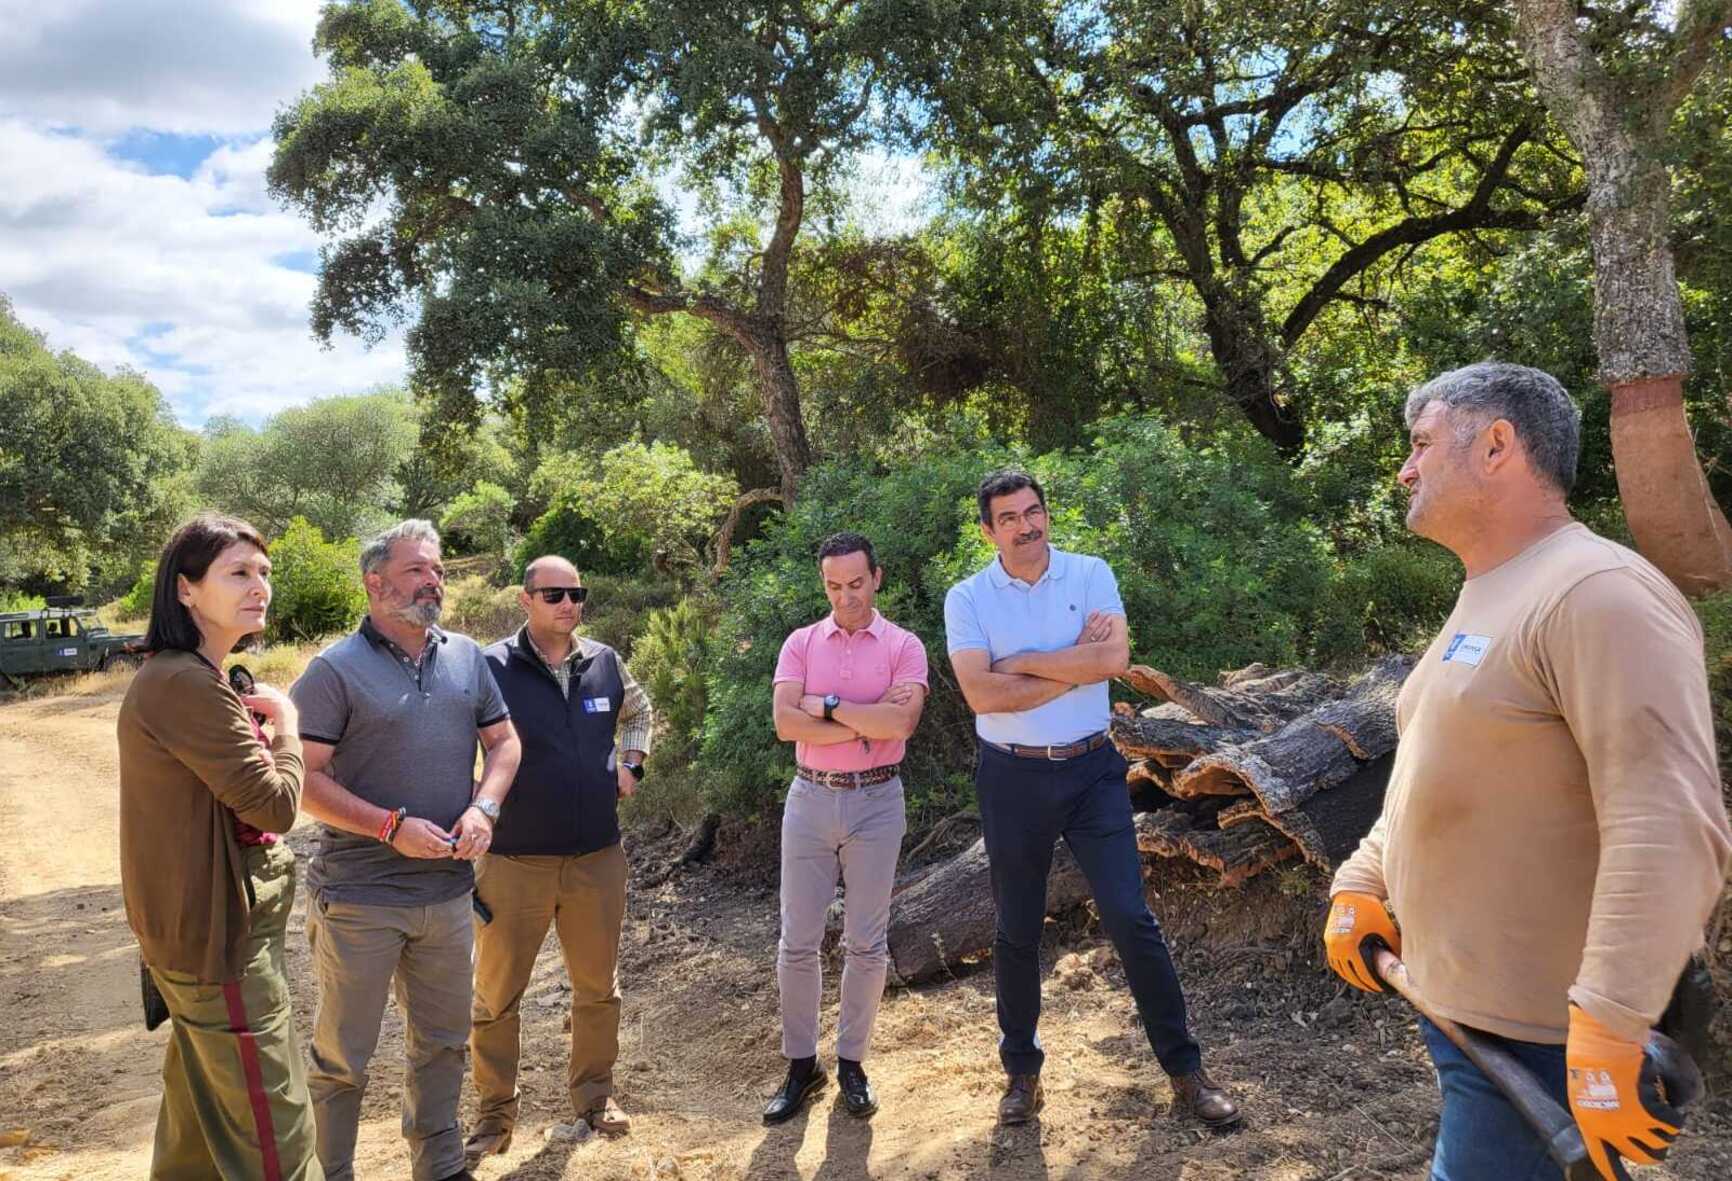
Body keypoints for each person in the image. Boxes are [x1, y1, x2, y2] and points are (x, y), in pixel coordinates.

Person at [1325, 362, 1732, 1181]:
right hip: (1470, 1023)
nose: (1406, 469)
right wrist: (1363, 879)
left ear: (1498, 446)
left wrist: (1611, 1023)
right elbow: (1434, 771)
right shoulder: (1492, 591)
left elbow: (1667, 819)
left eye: (1422, 443)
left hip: (1551, 1043)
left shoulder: (1598, 592)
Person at [944, 471, 1239, 1128]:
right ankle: (1021, 1073)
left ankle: (1187, 1073)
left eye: (1034, 511)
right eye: (1010, 517)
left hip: (1092, 771)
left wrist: (1024, 659)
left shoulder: (1089, 573)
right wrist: (1073, 658)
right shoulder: (967, 598)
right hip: (1012, 777)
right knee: (1016, 929)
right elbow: (984, 696)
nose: (1027, 526)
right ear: (988, 530)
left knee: (1130, 916)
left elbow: (1115, 658)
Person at [290, 519, 521, 1181]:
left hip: (447, 896)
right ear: (376, 581)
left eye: (439, 569)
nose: (434, 581)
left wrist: (486, 805)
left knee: (444, 1045)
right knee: (342, 1059)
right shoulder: (334, 669)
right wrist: (390, 826)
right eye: (419, 569)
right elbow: (303, 779)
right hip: (360, 898)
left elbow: (504, 743)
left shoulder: (466, 657)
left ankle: (441, 1168)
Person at [117, 512, 322, 1179]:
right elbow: (274, 805)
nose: (259, 585)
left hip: (201, 940)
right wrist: (287, 724)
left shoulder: (189, 677)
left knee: (200, 1137)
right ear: (185, 589)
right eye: (238, 572)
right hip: (220, 945)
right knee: (275, 1138)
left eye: (264, 571)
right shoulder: (182, 682)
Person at [463, 556, 657, 1165]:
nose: (569, 604)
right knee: (495, 997)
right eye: (554, 594)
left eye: (577, 593)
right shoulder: (489, 666)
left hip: (597, 856)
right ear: (526, 599)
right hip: (514, 860)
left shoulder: (604, 660)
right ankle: (494, 1115)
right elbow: (455, 735)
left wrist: (631, 763)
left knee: (598, 990)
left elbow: (642, 712)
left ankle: (595, 1100)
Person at [762, 531, 929, 1124]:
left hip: (878, 800)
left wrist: (826, 706)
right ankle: (801, 1064)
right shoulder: (801, 642)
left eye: (856, 583)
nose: (845, 596)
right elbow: (785, 724)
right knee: (797, 941)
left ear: (877, 577)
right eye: (834, 585)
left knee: (867, 941)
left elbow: (902, 723)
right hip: (809, 799)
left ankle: (853, 1062)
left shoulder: (905, 646)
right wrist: (866, 722)